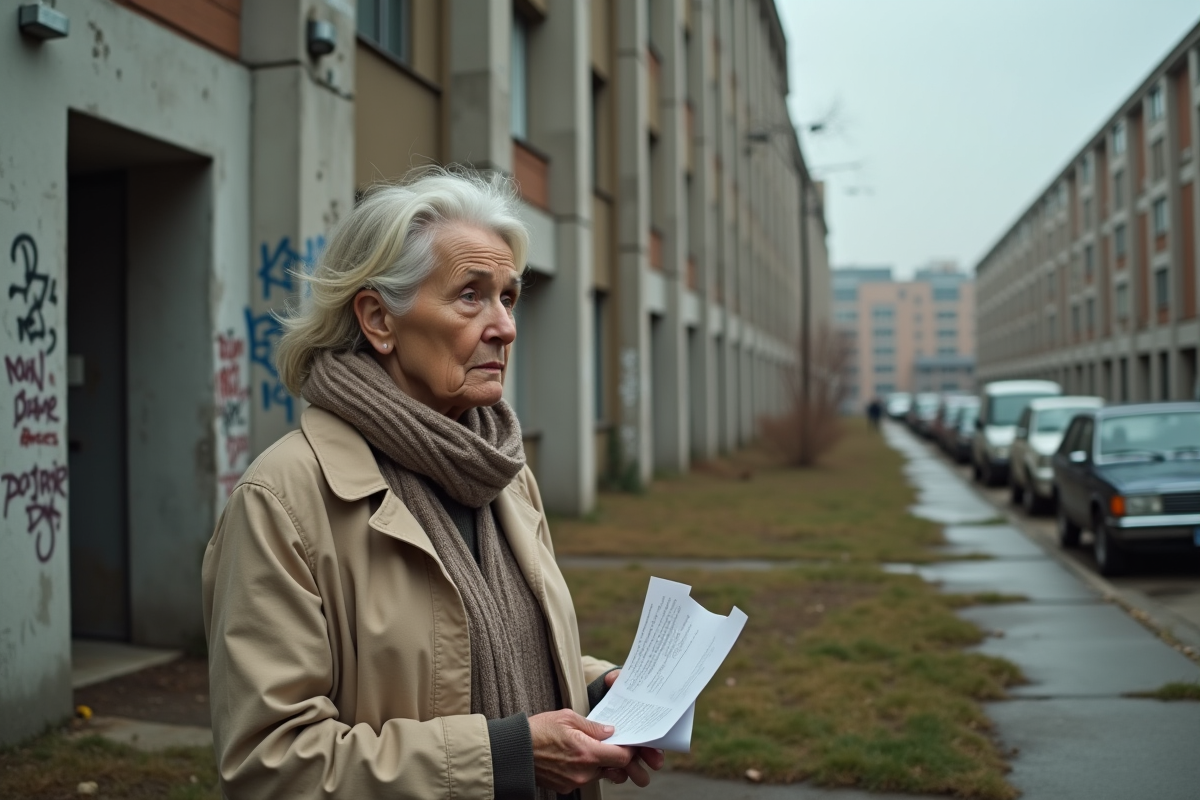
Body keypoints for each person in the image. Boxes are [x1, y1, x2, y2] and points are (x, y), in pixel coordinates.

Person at [202, 169, 664, 799]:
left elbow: (486, 650)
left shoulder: (502, 473)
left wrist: (592, 691)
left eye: (508, 297)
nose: (504, 326)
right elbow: (271, 763)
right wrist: (505, 758)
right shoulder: (282, 501)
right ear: (378, 320)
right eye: (471, 295)